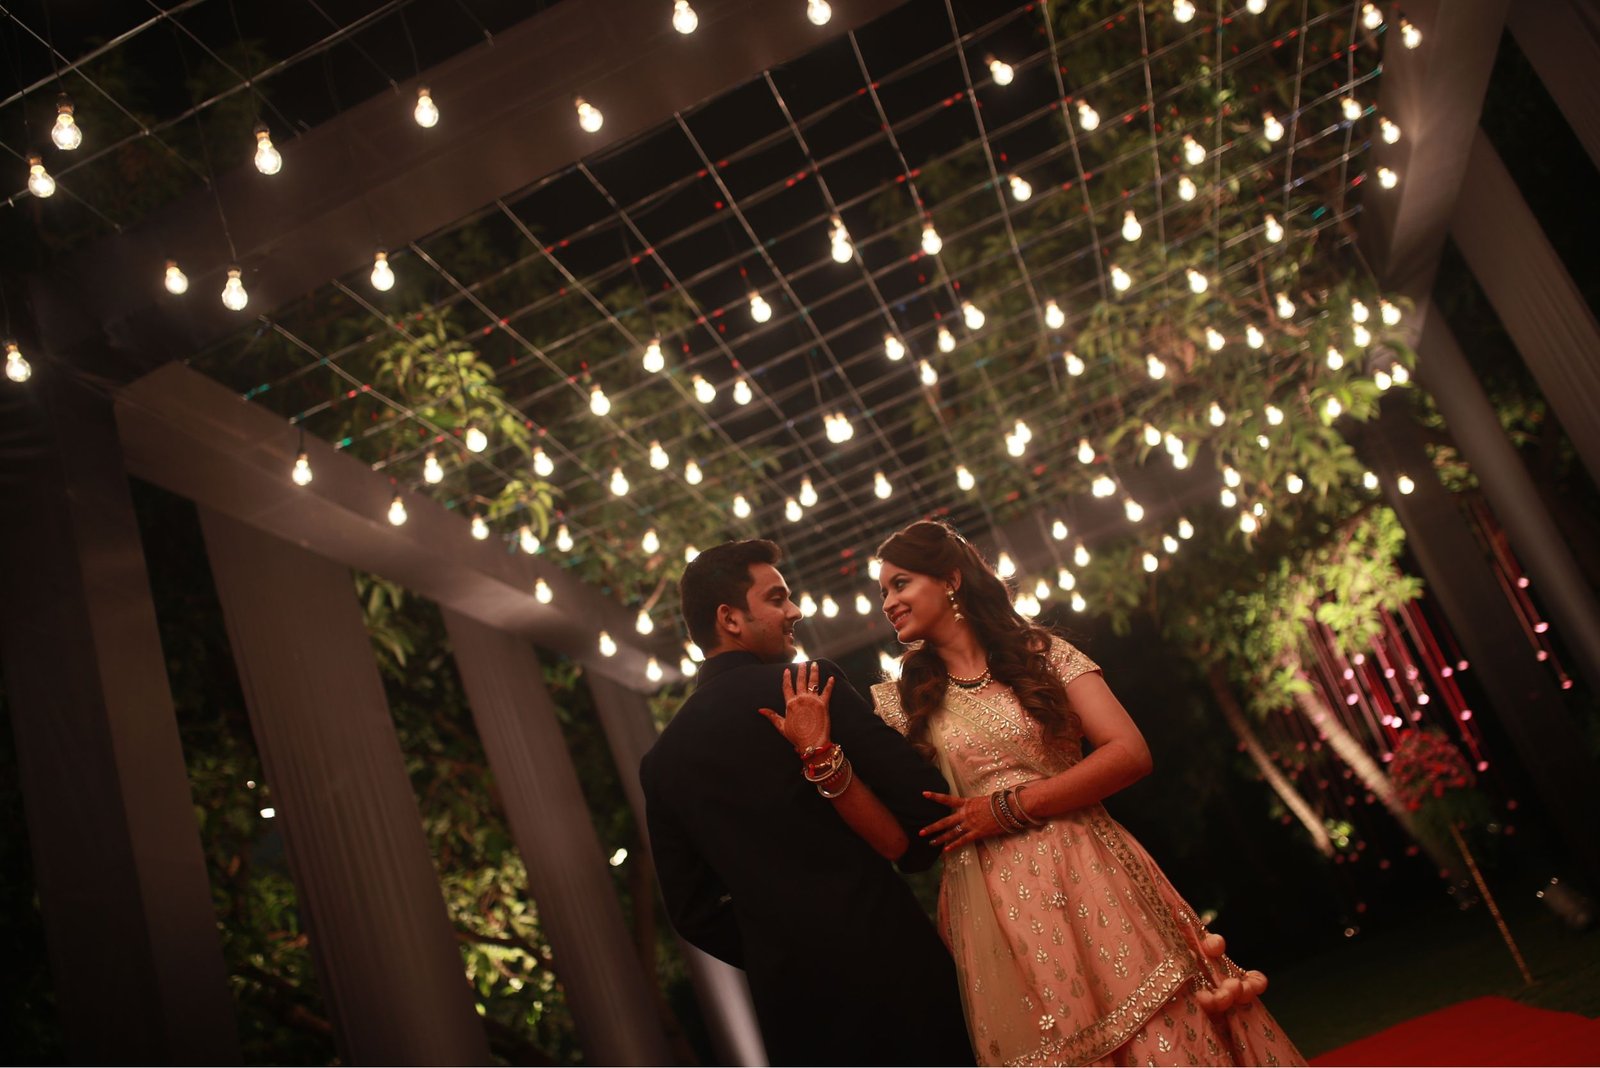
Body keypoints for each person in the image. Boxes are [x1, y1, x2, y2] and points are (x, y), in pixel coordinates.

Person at [865, 520, 1305, 1067]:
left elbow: (1128, 753)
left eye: (900, 583)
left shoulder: (1040, 654)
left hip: (1089, 867)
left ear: (951, 579)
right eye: (883, 591)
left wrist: (1009, 806)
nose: (888, 602)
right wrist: (823, 761)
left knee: (1159, 1022)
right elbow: (892, 828)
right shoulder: (899, 702)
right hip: (993, 905)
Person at [639, 539, 974, 1066]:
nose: (794, 611)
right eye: (777, 599)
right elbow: (927, 818)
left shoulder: (661, 761)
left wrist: (782, 952)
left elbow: (692, 913)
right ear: (730, 618)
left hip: (798, 1015)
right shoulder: (808, 684)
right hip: (897, 972)